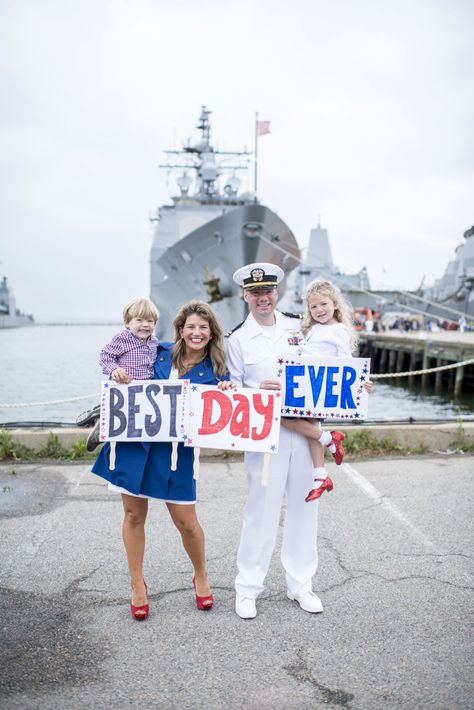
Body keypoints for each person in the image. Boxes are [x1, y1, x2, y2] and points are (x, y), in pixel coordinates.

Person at [91, 300, 233, 620]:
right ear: (180, 329)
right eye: (191, 327)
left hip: (175, 452)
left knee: (187, 523)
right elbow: (118, 352)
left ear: (212, 333)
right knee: (133, 515)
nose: (196, 333)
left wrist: (226, 390)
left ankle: (201, 575)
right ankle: (137, 584)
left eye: (203, 327)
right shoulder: (158, 351)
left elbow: (225, 406)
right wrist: (117, 373)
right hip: (135, 442)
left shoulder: (214, 371)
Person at [225, 262, 323, 620]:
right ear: (244, 295)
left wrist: (356, 384)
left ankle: (301, 585)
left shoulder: (299, 327)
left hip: (304, 430)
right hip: (265, 434)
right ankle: (248, 588)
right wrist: (256, 390)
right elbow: (231, 389)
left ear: (276, 293)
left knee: (304, 509)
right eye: (255, 293)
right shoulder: (236, 340)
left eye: (268, 291)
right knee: (261, 512)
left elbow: (327, 368)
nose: (262, 298)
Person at [281, 279, 371, 503]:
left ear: (335, 305)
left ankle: (331, 439)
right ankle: (320, 476)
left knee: (285, 419)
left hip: (320, 387)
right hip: (307, 385)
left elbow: (346, 360)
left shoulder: (338, 330)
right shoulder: (312, 329)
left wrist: (361, 380)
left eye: (324, 304)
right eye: (314, 307)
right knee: (311, 426)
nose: (319, 310)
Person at [86, 297, 160, 452]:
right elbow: (105, 356)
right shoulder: (123, 338)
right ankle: (101, 425)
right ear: (128, 322)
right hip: (123, 385)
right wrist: (114, 370)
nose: (145, 325)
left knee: (136, 420)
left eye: (150, 321)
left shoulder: (154, 342)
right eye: (139, 320)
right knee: (119, 416)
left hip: (144, 389)